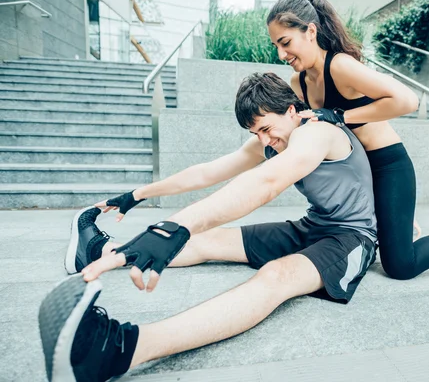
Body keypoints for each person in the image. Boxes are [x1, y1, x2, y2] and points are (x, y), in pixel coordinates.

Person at [39, 72, 388, 382]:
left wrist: (175, 227)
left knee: (277, 276)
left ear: (292, 111)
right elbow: (208, 172)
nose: (264, 141)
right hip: (313, 225)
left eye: (266, 129)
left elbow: (268, 182)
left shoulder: (318, 133)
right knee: (209, 240)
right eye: (256, 133)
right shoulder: (272, 139)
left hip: (351, 238)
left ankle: (115, 350)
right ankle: (95, 253)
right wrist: (138, 194)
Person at [266, 0, 429, 279]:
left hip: (386, 165)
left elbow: (407, 101)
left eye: (285, 43)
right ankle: (393, 225)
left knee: (400, 266)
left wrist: (341, 116)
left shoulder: (340, 66)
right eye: (276, 46)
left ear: (310, 31)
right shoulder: (299, 82)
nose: (281, 54)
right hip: (354, 172)